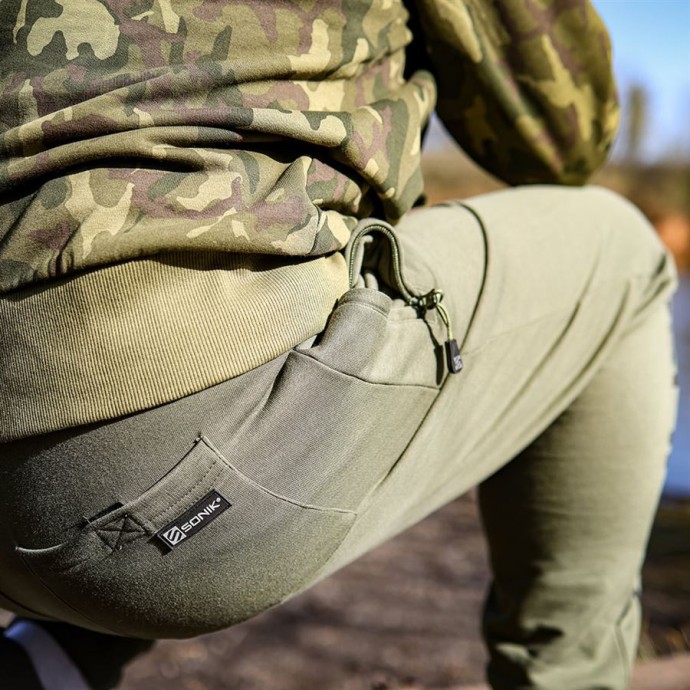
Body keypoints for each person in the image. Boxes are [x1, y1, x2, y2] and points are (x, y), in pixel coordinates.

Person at [0, 1, 678, 689]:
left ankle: (48, 662)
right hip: (156, 490)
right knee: (621, 249)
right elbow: (565, 133)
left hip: (63, 501)